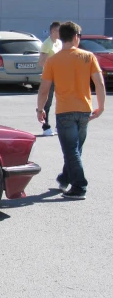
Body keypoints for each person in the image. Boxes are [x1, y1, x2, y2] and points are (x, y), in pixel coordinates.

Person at [37, 21, 105, 200]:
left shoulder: (53, 60)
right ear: (76, 37)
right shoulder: (88, 56)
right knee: (74, 149)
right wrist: (101, 106)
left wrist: (40, 109)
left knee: (71, 150)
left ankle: (79, 186)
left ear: (61, 37)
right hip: (84, 110)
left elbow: (44, 89)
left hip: (65, 111)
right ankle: (65, 177)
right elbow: (99, 83)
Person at [39, 21, 62, 136]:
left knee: (60, 102)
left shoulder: (59, 43)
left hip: (59, 76)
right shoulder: (47, 44)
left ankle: (59, 126)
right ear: (53, 31)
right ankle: (45, 126)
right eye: (59, 30)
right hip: (49, 77)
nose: (61, 33)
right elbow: (41, 62)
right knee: (47, 102)